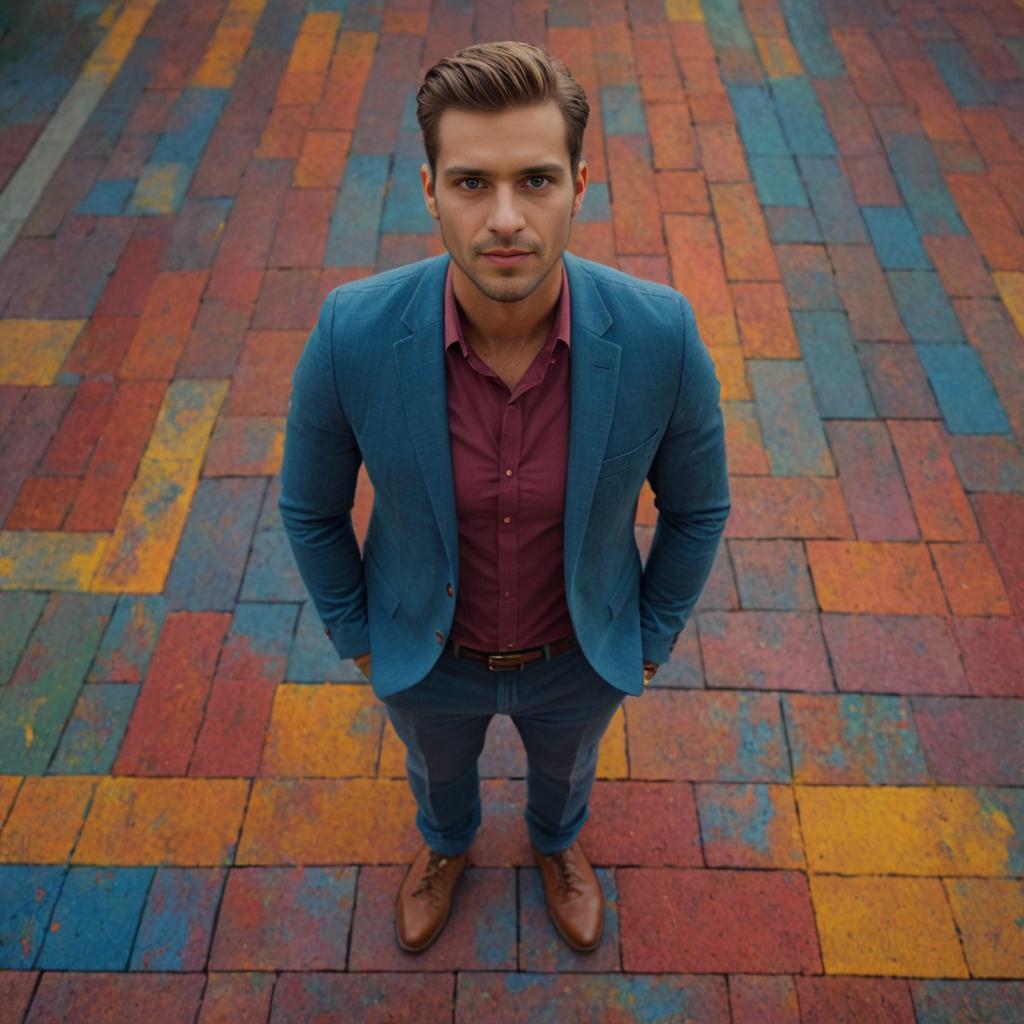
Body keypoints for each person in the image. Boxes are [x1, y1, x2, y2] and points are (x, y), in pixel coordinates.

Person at [279, 40, 730, 956]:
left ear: (579, 183)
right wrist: (358, 639)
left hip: (581, 649)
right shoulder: (351, 333)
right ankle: (447, 846)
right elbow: (310, 508)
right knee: (435, 771)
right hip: (423, 653)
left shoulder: (661, 336)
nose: (506, 220)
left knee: (566, 773)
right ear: (429, 190)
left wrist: (648, 642)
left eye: (535, 180)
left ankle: (556, 844)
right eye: (472, 184)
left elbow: (698, 509)